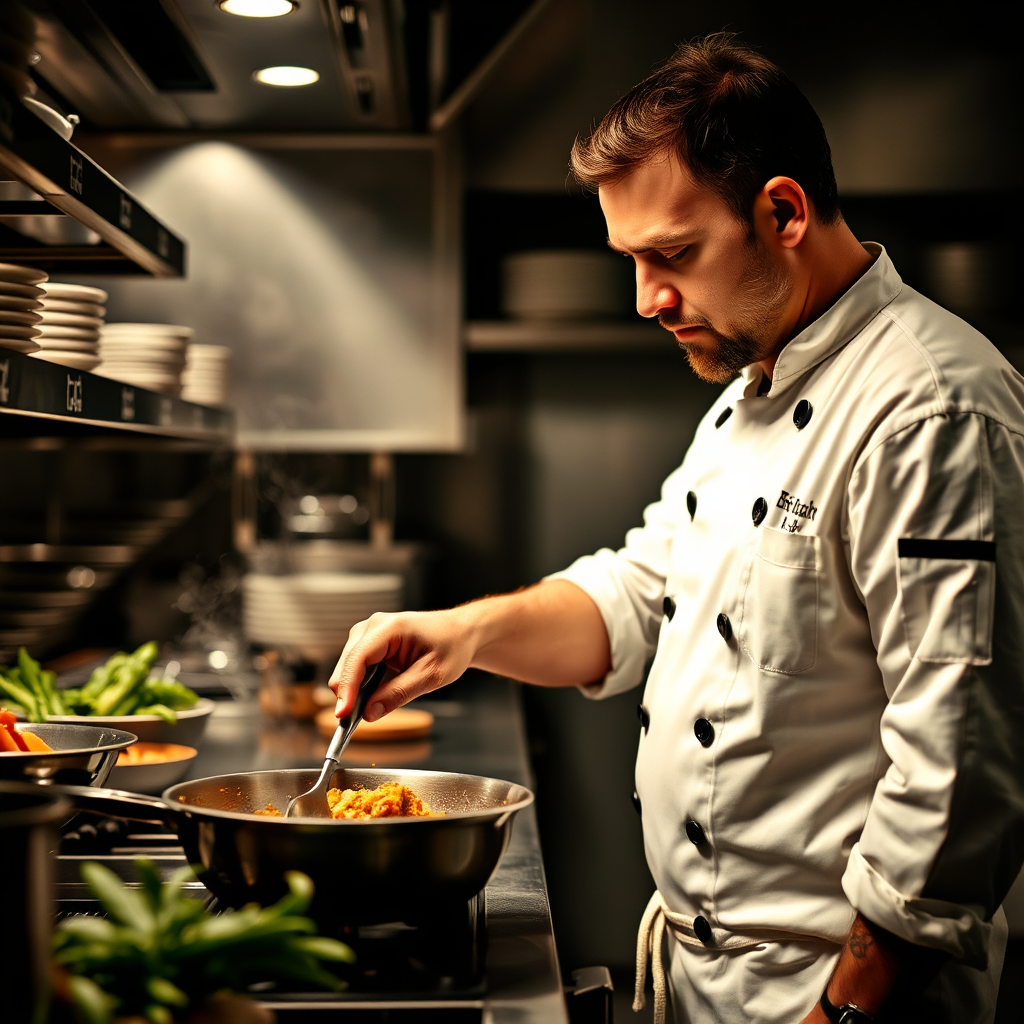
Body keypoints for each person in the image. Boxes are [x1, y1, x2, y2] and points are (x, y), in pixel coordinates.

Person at [330, 34, 1024, 1024]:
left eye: (672, 255)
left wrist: (845, 1011)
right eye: (631, 260)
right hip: (701, 978)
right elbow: (642, 591)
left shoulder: (931, 409)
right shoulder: (754, 383)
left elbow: (957, 771)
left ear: (782, 211)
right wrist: (461, 634)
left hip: (830, 996)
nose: (647, 300)